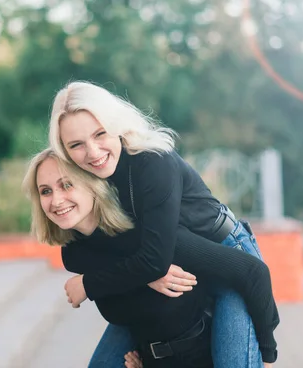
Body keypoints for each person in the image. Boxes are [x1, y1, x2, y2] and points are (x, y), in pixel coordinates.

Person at [48, 81, 280, 367]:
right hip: (171, 260)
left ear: (117, 125)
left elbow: (249, 272)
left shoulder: (153, 163)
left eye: (100, 134)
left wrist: (90, 283)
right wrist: (146, 270)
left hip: (226, 259)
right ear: (65, 150)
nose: (93, 152)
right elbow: (76, 252)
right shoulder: (90, 181)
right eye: (76, 145)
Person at [23, 149, 214, 367]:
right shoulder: (76, 256)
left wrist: (91, 283)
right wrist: (147, 275)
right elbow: (139, 316)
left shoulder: (149, 237)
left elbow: (244, 271)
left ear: (92, 186)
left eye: (67, 184)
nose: (56, 200)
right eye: (45, 191)